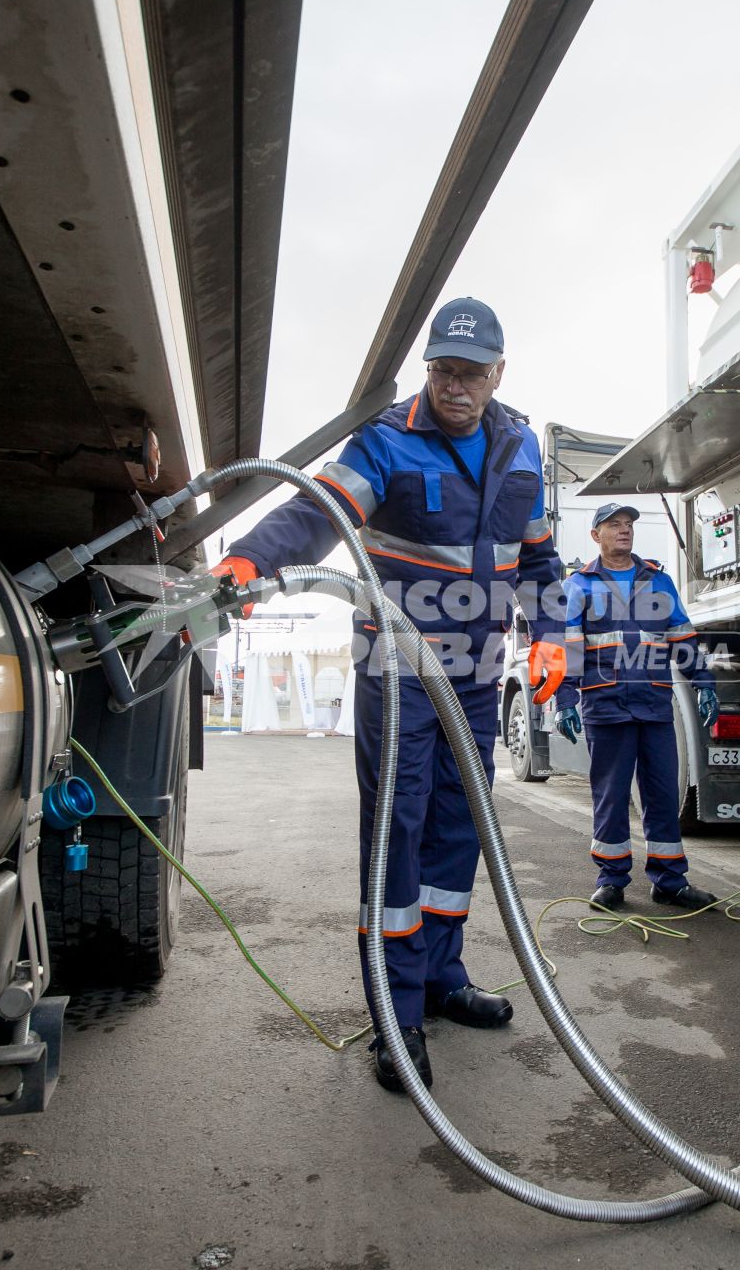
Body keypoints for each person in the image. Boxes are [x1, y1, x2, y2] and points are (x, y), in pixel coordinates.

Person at [212, 297, 569, 1094]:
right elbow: (316, 514)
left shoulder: (518, 451)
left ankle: (441, 976)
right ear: (428, 369)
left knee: (457, 827)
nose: (457, 387)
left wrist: (551, 633)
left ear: (499, 374)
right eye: (444, 370)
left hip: (476, 677)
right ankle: (396, 1012)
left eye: (473, 373)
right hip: (399, 670)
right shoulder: (384, 441)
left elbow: (540, 563)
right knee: (396, 833)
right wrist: (247, 562)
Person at [552, 504, 719, 913]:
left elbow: (682, 636)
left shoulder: (658, 582)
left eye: (628, 525)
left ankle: (669, 881)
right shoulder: (580, 585)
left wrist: (704, 683)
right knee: (610, 796)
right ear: (596, 535)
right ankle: (611, 880)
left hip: (654, 704)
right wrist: (565, 699)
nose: (624, 531)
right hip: (606, 704)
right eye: (614, 525)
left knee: (662, 794)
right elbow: (566, 647)